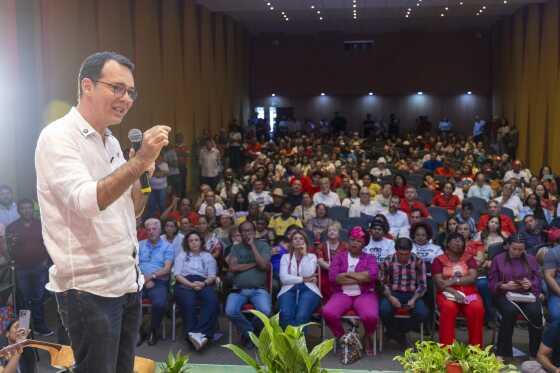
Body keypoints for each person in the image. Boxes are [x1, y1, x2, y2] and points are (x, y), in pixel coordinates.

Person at [35, 51, 170, 373]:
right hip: (88, 289)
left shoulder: (109, 141)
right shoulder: (58, 137)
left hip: (125, 282)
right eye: (117, 88)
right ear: (87, 86)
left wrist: (141, 173)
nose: (126, 98)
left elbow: (132, 211)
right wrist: (137, 162)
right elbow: (86, 203)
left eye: (131, 92)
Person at [322, 227, 379, 356]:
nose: (354, 243)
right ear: (348, 241)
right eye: (352, 240)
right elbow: (334, 277)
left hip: (364, 294)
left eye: (358, 241)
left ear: (364, 243)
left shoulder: (370, 258)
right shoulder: (339, 257)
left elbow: (371, 276)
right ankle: (344, 339)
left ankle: (367, 336)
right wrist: (360, 277)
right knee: (328, 312)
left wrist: (346, 275)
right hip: (342, 294)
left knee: (371, 316)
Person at [489, 234, 543, 359]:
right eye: (514, 249)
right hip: (504, 294)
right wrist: (503, 285)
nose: (517, 252)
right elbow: (491, 282)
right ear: (508, 246)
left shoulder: (530, 259)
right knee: (509, 311)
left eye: (520, 249)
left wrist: (531, 284)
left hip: (525, 294)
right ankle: (503, 352)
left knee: (535, 312)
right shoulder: (498, 259)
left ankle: (535, 353)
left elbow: (537, 279)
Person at [5, 199, 52, 336]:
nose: (27, 210)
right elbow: (8, 248)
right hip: (21, 269)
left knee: (39, 298)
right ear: (19, 211)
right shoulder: (12, 227)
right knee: (24, 299)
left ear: (33, 209)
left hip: (39, 267)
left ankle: (40, 326)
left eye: (29, 208)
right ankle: (24, 329)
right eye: (23, 208)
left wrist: (46, 261)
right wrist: (12, 261)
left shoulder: (41, 224)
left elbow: (48, 243)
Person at [432, 233, 485, 346]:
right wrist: (454, 292)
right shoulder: (438, 260)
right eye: (454, 240)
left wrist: (453, 281)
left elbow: (472, 278)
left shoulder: (469, 258)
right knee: (448, 307)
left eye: (460, 240)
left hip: (469, 293)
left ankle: (476, 348)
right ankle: (447, 348)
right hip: (447, 294)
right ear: (447, 243)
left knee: (477, 307)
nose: (458, 242)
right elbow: (440, 283)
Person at [225, 221, 272, 347]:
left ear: (254, 231)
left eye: (249, 230)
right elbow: (233, 267)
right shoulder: (235, 248)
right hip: (238, 290)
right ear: (240, 233)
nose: (247, 233)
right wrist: (253, 264)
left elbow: (263, 265)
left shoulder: (263, 246)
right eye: (244, 231)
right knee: (230, 311)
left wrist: (253, 246)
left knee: (265, 311)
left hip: (259, 290)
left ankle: (249, 335)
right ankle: (251, 333)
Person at [173, 231, 219, 351]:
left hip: (203, 282)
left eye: (196, 240)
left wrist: (203, 283)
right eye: (191, 241)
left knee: (212, 300)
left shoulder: (207, 256)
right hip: (185, 282)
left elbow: (212, 276)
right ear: (187, 243)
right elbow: (177, 275)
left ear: (201, 242)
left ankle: (197, 334)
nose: (194, 243)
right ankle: (197, 337)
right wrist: (191, 285)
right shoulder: (182, 255)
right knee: (189, 302)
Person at [379, 237, 429, 348]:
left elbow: (422, 285)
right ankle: (398, 335)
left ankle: (395, 333)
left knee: (422, 313)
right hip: (393, 292)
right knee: (384, 310)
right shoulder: (388, 261)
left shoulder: (418, 261)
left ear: (410, 251)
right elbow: (382, 284)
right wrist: (391, 297)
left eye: (406, 254)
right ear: (396, 251)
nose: (403, 257)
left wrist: (414, 299)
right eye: (401, 254)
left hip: (412, 293)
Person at [138, 219, 174, 346]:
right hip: (139, 281)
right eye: (148, 229)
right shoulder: (140, 245)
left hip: (158, 281)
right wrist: (143, 278)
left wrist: (151, 276)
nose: (151, 232)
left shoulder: (167, 247)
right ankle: (138, 331)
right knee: (128, 300)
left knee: (159, 303)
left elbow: (167, 268)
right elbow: (133, 264)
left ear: (160, 230)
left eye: (154, 229)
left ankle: (153, 330)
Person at [278, 229, 322, 329]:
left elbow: (309, 272)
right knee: (286, 315)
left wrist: (305, 254)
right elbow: (284, 278)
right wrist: (303, 279)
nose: (298, 241)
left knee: (301, 316)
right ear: (291, 242)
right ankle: (289, 342)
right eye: (295, 239)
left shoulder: (311, 256)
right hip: (288, 289)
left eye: (301, 239)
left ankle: (299, 343)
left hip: (309, 289)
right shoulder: (285, 257)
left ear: (305, 242)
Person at [543, 237, 560, 322]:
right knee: (557, 317)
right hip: (557, 293)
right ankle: (548, 336)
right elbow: (549, 276)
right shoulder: (553, 253)